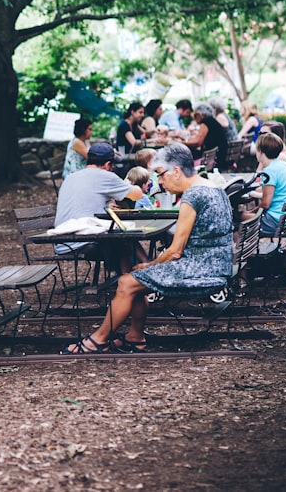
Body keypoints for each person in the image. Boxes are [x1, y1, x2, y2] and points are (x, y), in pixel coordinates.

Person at [62, 143, 234, 354]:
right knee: (135, 278)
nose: (160, 182)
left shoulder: (193, 196)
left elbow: (175, 251)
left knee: (127, 281)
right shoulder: (214, 187)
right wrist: (148, 268)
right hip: (216, 266)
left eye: (161, 175)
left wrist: (150, 265)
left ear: (177, 172)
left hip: (200, 270)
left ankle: (98, 340)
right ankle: (135, 337)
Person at [54, 143, 144, 272]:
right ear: (107, 165)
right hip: (84, 241)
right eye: (112, 165)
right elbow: (137, 194)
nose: (112, 168)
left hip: (61, 242)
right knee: (123, 237)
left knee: (117, 237)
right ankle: (133, 276)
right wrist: (128, 183)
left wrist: (106, 205)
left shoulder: (70, 177)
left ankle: (132, 274)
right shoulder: (106, 176)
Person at [252, 132, 286, 236]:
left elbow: (265, 204)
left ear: (260, 151)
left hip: (277, 222)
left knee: (238, 219)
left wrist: (252, 212)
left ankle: (241, 251)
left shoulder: (269, 171)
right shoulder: (283, 165)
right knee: (245, 216)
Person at [184, 103, 228, 168]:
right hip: (220, 157)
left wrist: (182, 143)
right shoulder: (213, 122)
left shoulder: (205, 123)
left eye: (196, 115)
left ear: (202, 115)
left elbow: (198, 142)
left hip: (214, 161)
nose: (194, 117)